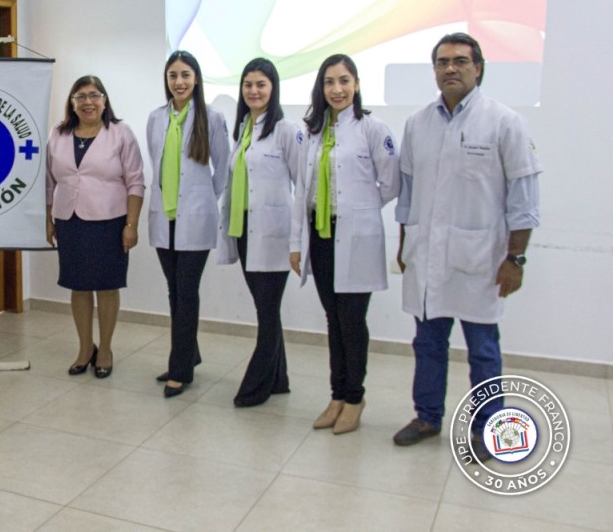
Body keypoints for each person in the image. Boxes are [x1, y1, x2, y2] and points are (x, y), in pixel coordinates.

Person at [392, 33, 541, 458]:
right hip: (427, 257)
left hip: (482, 258)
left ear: (478, 68)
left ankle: (487, 428)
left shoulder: (504, 122)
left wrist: (515, 259)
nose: (450, 68)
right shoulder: (417, 123)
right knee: (428, 344)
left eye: (460, 61)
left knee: (483, 350)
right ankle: (427, 416)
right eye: (442, 62)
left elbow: (524, 199)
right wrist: (404, 246)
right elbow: (408, 193)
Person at [289, 54, 400, 434]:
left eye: (344, 81)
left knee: (352, 321)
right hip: (320, 238)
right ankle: (336, 395)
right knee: (332, 320)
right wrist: (295, 244)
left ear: (356, 84)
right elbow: (301, 190)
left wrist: (360, 210)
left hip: (356, 238)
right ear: (320, 88)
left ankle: (355, 397)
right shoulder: (313, 131)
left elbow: (391, 183)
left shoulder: (372, 128)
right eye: (329, 82)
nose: (337, 89)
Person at [46, 75, 145, 378]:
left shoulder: (120, 133)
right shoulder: (58, 134)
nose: (88, 102)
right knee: (78, 285)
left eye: (94, 95)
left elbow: (136, 182)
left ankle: (105, 349)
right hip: (70, 221)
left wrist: (131, 224)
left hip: (109, 222)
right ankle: (85, 347)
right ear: (72, 103)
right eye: (80, 96)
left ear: (104, 100)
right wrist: (48, 219)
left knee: (106, 286)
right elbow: (49, 182)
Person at [217, 58, 300, 407]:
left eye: (261, 84)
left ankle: (256, 386)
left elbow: (303, 185)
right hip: (245, 232)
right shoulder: (244, 130)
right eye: (248, 85)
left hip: (273, 235)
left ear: (273, 88)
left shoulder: (286, 130)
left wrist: (298, 240)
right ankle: (278, 379)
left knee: (267, 312)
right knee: (266, 309)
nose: (254, 91)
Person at [146, 50, 229, 398]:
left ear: (196, 79)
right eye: (172, 76)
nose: (178, 82)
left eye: (185, 75)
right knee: (174, 292)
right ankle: (188, 354)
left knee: (186, 292)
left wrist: (202, 199)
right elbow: (157, 163)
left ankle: (180, 369)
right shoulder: (155, 117)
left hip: (195, 218)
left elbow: (223, 168)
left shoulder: (211, 118)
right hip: (165, 218)